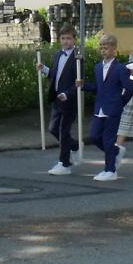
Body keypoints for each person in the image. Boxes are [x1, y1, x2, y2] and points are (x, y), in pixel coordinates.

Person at [84, 33, 133, 181]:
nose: (103, 51)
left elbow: (129, 88)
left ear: (114, 49)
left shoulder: (120, 68)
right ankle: (115, 152)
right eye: (101, 48)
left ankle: (110, 170)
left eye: (106, 48)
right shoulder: (97, 67)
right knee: (94, 136)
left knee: (108, 139)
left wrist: (120, 103)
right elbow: (98, 88)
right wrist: (83, 86)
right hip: (100, 108)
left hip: (113, 109)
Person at [42, 25, 81, 174]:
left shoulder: (78, 57)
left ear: (74, 39)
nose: (65, 41)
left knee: (64, 131)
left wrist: (68, 94)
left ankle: (64, 164)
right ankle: (74, 145)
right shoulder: (58, 54)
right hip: (57, 98)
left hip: (69, 100)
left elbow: (79, 81)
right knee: (53, 128)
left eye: (68, 38)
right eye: (63, 38)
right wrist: (45, 69)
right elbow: (55, 75)